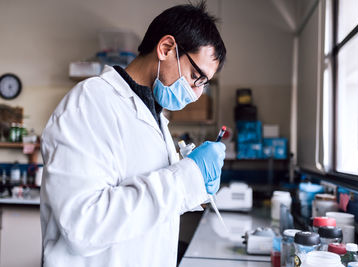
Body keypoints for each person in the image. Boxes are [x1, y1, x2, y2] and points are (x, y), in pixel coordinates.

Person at [40, 2, 227, 267]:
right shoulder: (91, 101)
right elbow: (83, 225)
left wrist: (193, 181)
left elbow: (149, 205)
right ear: (166, 48)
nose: (197, 94)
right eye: (196, 76)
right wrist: (188, 177)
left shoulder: (155, 116)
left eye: (204, 84)